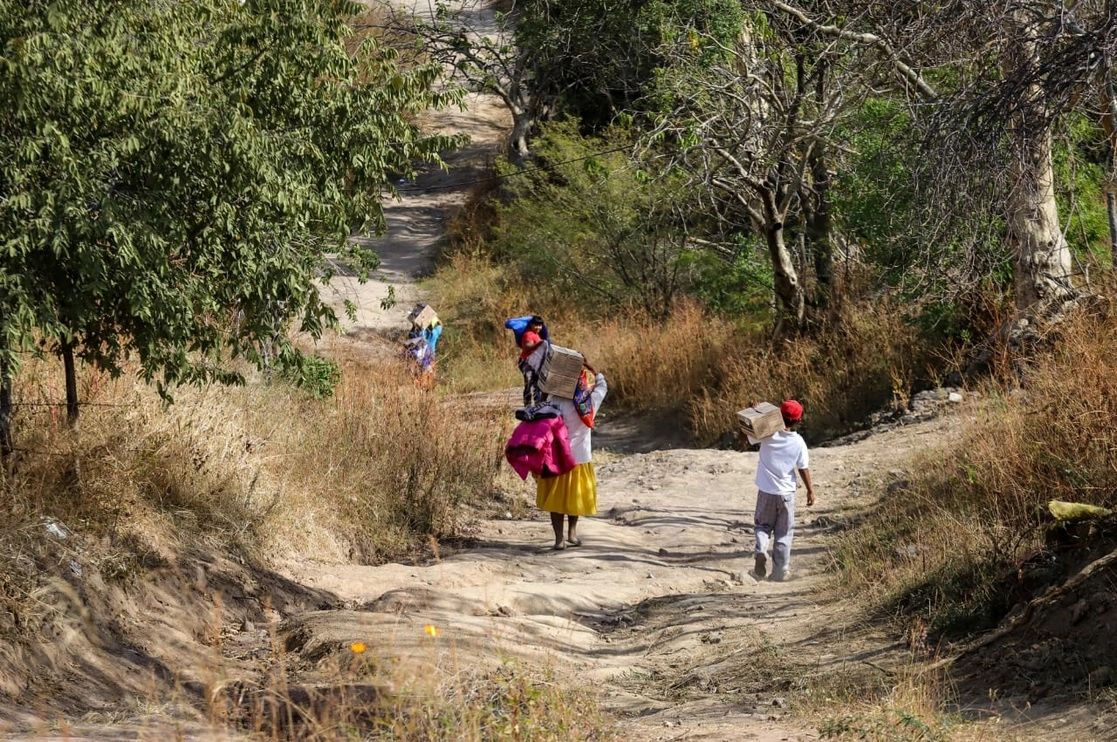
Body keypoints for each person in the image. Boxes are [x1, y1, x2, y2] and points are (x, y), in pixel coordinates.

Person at [535, 360, 607, 550]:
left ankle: (559, 540)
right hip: (580, 459)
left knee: (555, 500)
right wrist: (591, 366)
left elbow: (539, 409)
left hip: (555, 459)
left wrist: (547, 387)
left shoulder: (553, 402)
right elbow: (603, 385)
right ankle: (572, 534)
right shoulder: (588, 402)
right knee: (573, 498)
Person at [745, 399, 815, 582]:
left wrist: (755, 413)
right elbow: (803, 467)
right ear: (798, 420)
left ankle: (761, 549)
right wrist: (810, 491)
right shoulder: (798, 442)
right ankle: (780, 571)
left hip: (766, 492)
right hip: (786, 494)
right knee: (784, 533)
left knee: (762, 526)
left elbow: (744, 435)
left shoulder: (767, 434)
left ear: (777, 414)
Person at [518, 315, 548, 406]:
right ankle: (527, 406)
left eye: (540, 325)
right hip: (526, 363)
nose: (538, 327)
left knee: (537, 386)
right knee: (529, 385)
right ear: (531, 325)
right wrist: (539, 344)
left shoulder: (537, 335)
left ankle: (537, 405)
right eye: (536, 325)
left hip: (534, 364)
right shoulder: (529, 334)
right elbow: (526, 347)